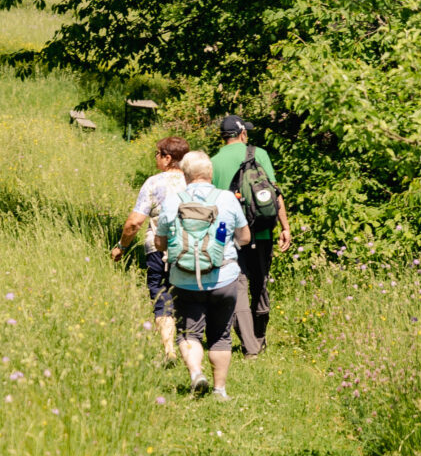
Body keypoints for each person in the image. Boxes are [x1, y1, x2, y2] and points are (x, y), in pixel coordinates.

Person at [155, 151, 249, 398]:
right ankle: (220, 390)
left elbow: (160, 243)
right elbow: (245, 237)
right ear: (210, 174)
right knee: (220, 335)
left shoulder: (173, 201)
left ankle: (196, 373)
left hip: (185, 280)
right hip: (224, 278)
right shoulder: (228, 199)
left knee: (189, 333)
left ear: (185, 175)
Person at [211, 115, 294, 356]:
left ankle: (250, 346)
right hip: (263, 231)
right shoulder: (259, 154)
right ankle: (260, 336)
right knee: (260, 284)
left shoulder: (213, 161)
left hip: (231, 236)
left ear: (223, 136)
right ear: (243, 134)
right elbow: (275, 194)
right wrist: (285, 227)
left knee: (238, 286)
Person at [111, 137, 191, 364]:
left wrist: (121, 247)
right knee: (187, 296)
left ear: (167, 158)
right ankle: (189, 347)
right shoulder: (195, 181)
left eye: (157, 154)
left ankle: (169, 350)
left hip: (159, 248)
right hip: (192, 248)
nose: (155, 158)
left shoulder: (154, 183)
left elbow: (134, 223)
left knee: (162, 294)